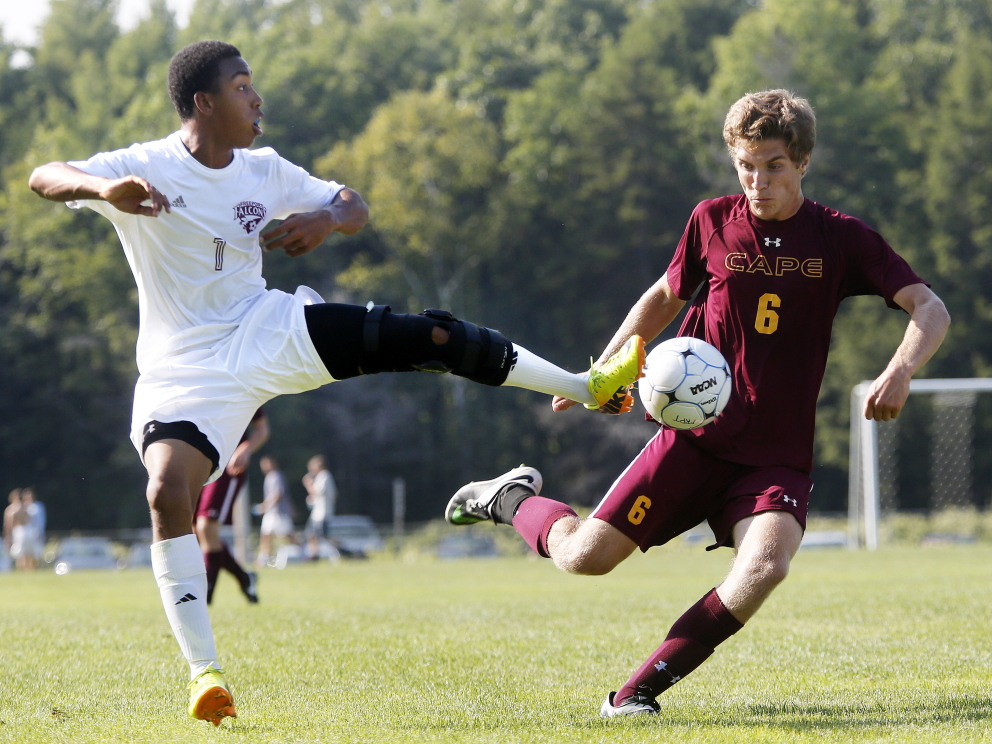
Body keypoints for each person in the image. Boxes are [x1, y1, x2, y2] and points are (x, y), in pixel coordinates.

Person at [27, 40, 643, 725]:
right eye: (241, 87)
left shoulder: (264, 168)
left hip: (267, 330)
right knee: (166, 492)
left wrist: (327, 217)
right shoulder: (142, 166)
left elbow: (353, 202)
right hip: (184, 370)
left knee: (430, 337)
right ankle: (204, 674)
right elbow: (43, 174)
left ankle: (589, 387)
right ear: (203, 102)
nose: (256, 99)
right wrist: (98, 189)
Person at [445, 89, 951, 717]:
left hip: (776, 457)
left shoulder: (840, 239)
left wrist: (899, 371)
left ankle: (635, 695)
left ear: (803, 163)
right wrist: (602, 373)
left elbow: (930, 308)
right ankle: (509, 497)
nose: (758, 181)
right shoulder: (712, 220)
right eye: (746, 166)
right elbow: (664, 295)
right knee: (584, 558)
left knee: (765, 566)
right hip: (694, 442)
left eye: (774, 166)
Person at [194, 407, 269, 604]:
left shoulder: (239, 382)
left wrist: (245, 448)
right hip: (201, 463)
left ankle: (205, 598)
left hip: (228, 466)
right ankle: (244, 578)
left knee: (206, 526)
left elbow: (262, 430)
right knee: (197, 531)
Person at [254, 455, 294, 567]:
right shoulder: (269, 477)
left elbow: (278, 494)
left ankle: (305, 551)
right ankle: (263, 559)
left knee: (288, 535)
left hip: (279, 512)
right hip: (271, 512)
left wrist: (265, 506)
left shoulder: (276, 475)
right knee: (266, 535)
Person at [302, 454, 336, 560]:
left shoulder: (324, 476)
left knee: (324, 537)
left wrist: (308, 484)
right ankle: (314, 555)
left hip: (322, 513)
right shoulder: (321, 477)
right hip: (317, 513)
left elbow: (317, 492)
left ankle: (344, 550)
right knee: (311, 535)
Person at [20, 488, 45, 570]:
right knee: (25, 552)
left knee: (35, 553)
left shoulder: (38, 506)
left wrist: (40, 531)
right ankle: (26, 569)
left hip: (35, 532)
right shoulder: (22, 507)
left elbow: (41, 520)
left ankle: (35, 568)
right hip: (25, 533)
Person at [3, 489, 28, 569]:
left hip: (23, 533)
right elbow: (8, 525)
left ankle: (25, 569)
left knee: (24, 553)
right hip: (16, 533)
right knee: (18, 553)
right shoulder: (10, 510)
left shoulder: (25, 509)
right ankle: (20, 568)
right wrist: (8, 536)